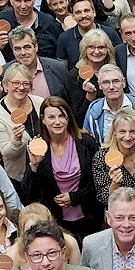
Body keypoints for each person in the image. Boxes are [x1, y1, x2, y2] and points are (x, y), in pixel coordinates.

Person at [21, 96, 100, 239]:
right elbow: (28, 195)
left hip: (90, 215)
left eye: (61, 116)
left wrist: (75, 197)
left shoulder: (86, 142)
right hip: (55, 219)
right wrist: (33, 165)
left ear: (68, 118)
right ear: (43, 120)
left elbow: (99, 181)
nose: (57, 122)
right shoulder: (37, 146)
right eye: (51, 117)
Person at [82, 63, 135, 149]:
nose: (111, 87)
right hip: (106, 160)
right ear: (100, 86)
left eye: (116, 81)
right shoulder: (93, 112)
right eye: (106, 82)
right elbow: (87, 146)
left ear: (123, 83)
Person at [91, 109, 135, 210]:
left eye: (133, 131)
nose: (127, 137)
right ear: (114, 133)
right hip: (119, 217)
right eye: (122, 131)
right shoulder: (102, 158)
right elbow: (104, 200)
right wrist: (115, 184)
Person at [5, 203, 81, 270]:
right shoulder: (13, 254)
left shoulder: (70, 242)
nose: (36, 236)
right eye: (29, 231)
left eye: (41, 230)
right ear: (22, 231)